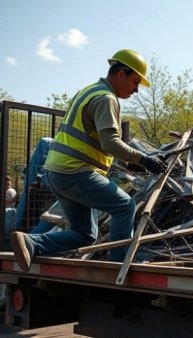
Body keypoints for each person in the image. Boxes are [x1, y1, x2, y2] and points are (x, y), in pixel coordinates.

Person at [11, 49, 167, 272]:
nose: (136, 90)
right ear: (120, 74)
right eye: (135, 82)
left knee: (85, 234)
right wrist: (144, 159)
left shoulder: (89, 91)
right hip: (76, 172)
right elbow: (110, 143)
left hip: (58, 172)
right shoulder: (106, 98)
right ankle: (118, 266)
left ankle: (32, 242)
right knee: (125, 206)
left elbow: (90, 141)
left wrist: (129, 162)